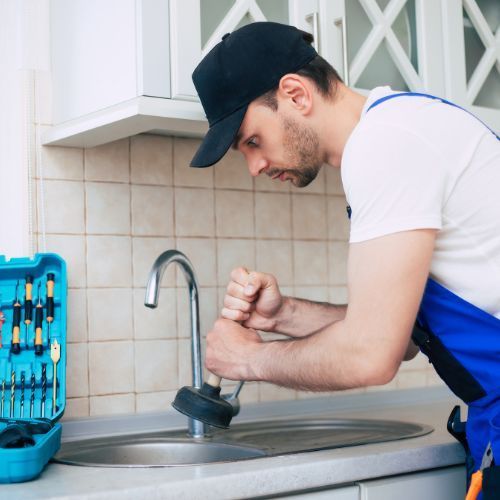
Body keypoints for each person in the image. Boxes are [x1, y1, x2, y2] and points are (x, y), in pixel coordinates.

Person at [189, 22, 500, 497]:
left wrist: (247, 359)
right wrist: (283, 314)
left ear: (295, 95)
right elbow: (404, 340)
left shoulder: (384, 145)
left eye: (251, 141)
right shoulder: (400, 127)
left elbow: (370, 356)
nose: (254, 166)